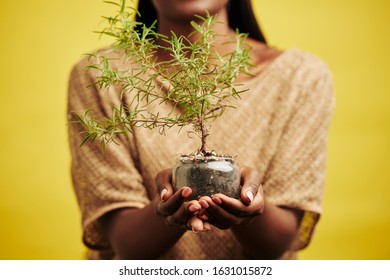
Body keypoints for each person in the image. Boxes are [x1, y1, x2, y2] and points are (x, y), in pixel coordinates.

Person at [67, 0, 334, 260]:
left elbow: (277, 244)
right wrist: (166, 210)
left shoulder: (301, 77)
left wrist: (248, 204)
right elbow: (125, 245)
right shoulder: (101, 76)